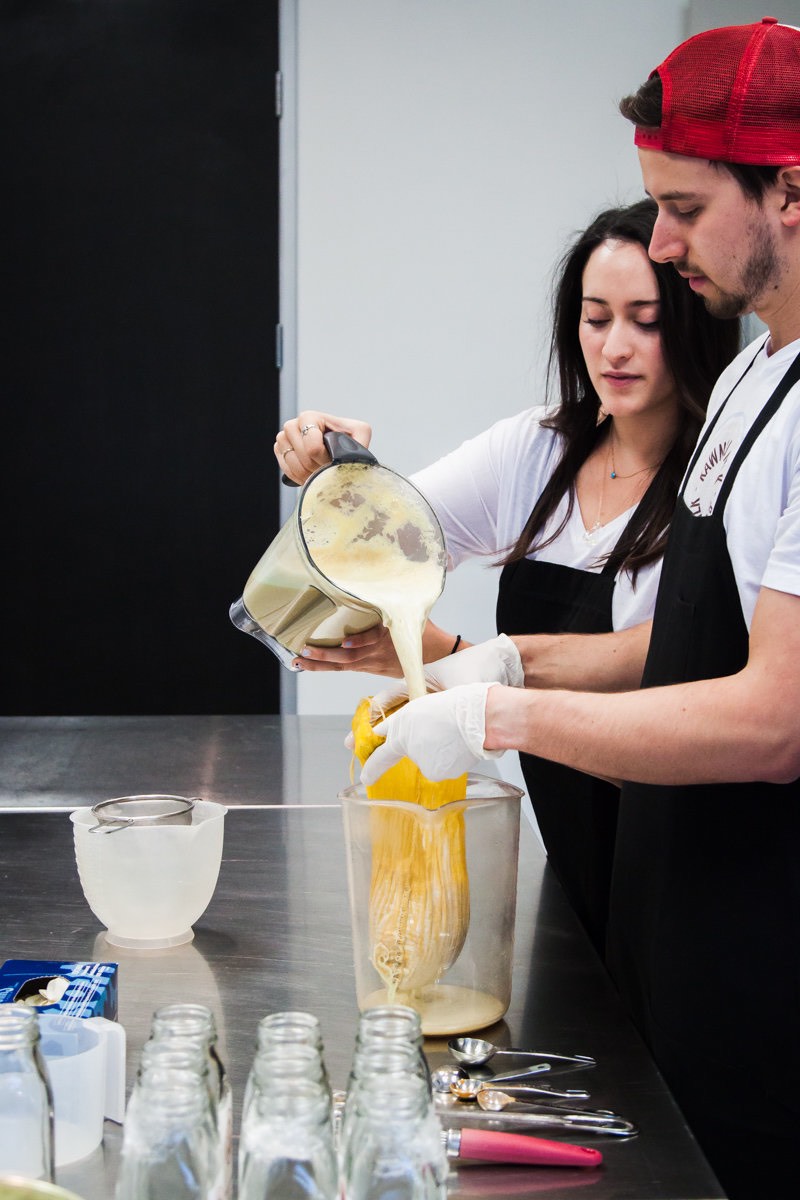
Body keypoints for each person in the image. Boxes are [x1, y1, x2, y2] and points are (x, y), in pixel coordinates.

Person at [358, 18, 800, 1200]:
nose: (658, 243)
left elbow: (771, 721)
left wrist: (500, 715)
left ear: (790, 190)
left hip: (763, 944)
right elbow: (687, 648)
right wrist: (489, 658)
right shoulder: (760, 373)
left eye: (685, 209)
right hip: (667, 912)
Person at [276, 199, 738, 957]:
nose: (615, 347)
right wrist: (337, 473)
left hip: (694, 873)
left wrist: (464, 664)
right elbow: (385, 544)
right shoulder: (538, 451)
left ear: (695, 322)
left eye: (645, 320)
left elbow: (686, 683)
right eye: (596, 318)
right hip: (573, 863)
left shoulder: (721, 476)